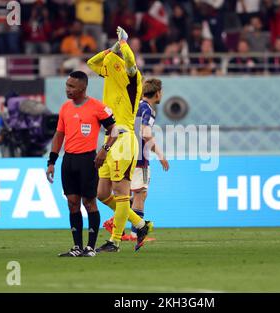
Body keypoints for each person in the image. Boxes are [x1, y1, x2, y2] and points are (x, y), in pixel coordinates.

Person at [86, 26, 153, 252]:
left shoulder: (133, 81)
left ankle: (114, 241)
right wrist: (112, 48)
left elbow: (132, 63)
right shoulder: (110, 75)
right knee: (102, 193)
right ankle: (140, 224)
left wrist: (123, 44)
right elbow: (91, 63)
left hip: (123, 139)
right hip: (110, 139)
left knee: (121, 192)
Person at [46, 70, 118, 257]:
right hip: (68, 160)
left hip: (88, 160)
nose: (67, 89)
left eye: (71, 86)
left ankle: (90, 247)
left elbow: (114, 130)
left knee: (89, 202)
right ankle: (77, 247)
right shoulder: (65, 108)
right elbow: (59, 135)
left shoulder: (97, 107)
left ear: (82, 88)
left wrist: (104, 150)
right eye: (67, 85)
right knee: (72, 203)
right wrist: (52, 161)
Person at [129, 78, 169, 240]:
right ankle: (135, 233)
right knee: (140, 194)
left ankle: (124, 228)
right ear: (157, 93)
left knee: (130, 194)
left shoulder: (134, 106)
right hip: (139, 157)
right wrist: (160, 155)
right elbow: (145, 133)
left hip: (126, 154)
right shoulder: (148, 109)